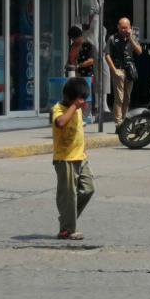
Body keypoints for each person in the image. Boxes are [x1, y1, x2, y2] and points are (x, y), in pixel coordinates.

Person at [51, 77, 95, 240]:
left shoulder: (77, 109)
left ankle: (67, 218)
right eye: (80, 99)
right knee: (68, 195)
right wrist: (75, 106)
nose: (83, 102)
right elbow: (60, 123)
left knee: (88, 189)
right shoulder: (59, 108)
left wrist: (85, 151)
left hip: (80, 157)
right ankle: (67, 229)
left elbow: (79, 132)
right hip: (65, 159)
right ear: (70, 97)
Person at [105, 18, 141, 131]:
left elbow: (139, 51)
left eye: (127, 27)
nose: (125, 30)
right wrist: (114, 69)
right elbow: (107, 55)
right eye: (123, 28)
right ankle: (118, 123)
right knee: (119, 98)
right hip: (118, 69)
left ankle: (124, 121)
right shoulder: (112, 38)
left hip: (129, 70)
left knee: (127, 98)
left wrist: (131, 38)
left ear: (130, 27)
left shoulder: (132, 38)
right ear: (118, 27)